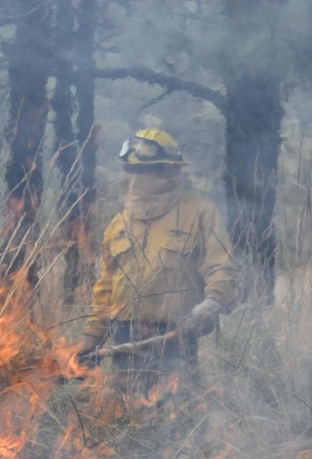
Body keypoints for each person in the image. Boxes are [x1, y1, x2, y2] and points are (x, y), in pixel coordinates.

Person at [77, 128, 239, 400]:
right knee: (127, 412)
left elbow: (221, 267)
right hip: (124, 337)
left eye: (144, 170)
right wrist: (92, 337)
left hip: (175, 335)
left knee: (176, 413)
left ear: (168, 171)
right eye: (131, 170)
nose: (136, 177)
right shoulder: (119, 224)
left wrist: (210, 306)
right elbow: (106, 288)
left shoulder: (200, 213)